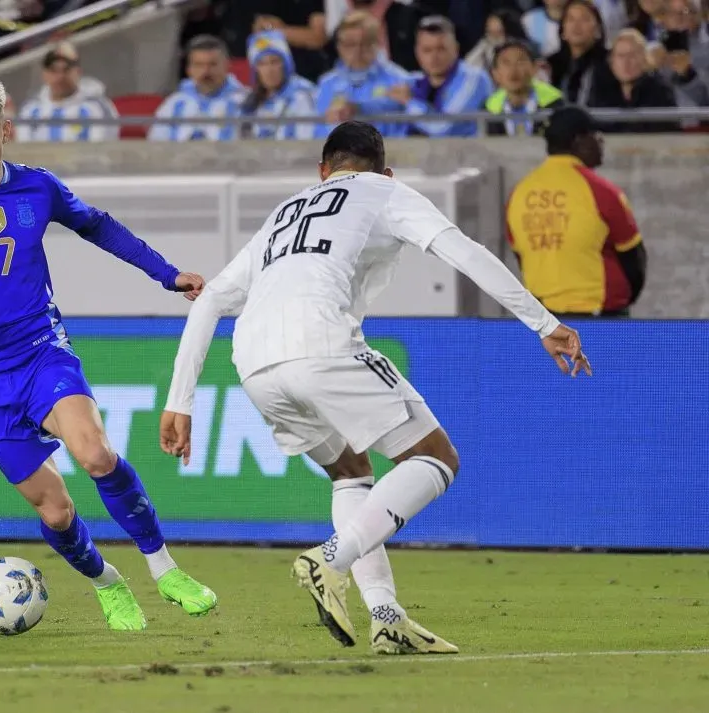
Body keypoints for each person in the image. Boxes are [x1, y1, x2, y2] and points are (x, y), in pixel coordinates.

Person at [159, 120, 591, 648]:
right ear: (386, 171)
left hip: (253, 362)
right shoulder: (385, 191)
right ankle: (330, 560)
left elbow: (208, 301)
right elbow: (464, 251)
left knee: (350, 470)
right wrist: (545, 323)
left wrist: (180, 401)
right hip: (322, 345)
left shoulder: (282, 213)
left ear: (323, 171)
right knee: (435, 459)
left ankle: (386, 618)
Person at [0, 75, 218, 632]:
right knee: (55, 509)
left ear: (5, 130)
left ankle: (165, 569)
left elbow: (99, 226)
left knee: (95, 455)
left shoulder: (38, 187)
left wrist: (166, 275)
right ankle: (107, 584)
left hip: (40, 349)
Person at [506, 106, 647, 317]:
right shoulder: (602, 192)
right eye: (595, 135)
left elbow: (520, 256)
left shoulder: (519, 194)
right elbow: (634, 259)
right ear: (578, 141)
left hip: (544, 320)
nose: (601, 142)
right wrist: (623, 302)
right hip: (600, 316)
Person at [389, 15, 495, 137]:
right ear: (417, 52)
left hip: (471, 154)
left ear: (455, 49)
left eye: (441, 49)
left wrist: (410, 102)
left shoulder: (475, 79)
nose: (434, 57)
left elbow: (444, 128)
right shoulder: (412, 82)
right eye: (427, 50)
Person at [314, 11, 412, 139]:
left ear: (377, 43)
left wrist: (359, 109)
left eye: (365, 43)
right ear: (339, 46)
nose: (357, 51)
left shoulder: (399, 78)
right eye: (350, 44)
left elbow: (403, 115)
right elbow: (319, 129)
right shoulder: (326, 83)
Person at [150, 34, 247, 142]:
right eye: (199, 65)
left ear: (227, 65)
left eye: (212, 64)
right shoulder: (173, 104)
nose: (206, 71)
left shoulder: (246, 102)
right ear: (189, 69)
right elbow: (156, 145)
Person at [15, 42, 119, 143]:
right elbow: (24, 149)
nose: (60, 76)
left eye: (66, 69)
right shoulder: (30, 110)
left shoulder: (98, 108)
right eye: (53, 70)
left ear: (78, 71)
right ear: (44, 74)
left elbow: (102, 151)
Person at [593, 28, 679, 130]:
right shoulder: (601, 88)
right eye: (620, 56)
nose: (626, 62)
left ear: (644, 59)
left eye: (632, 55)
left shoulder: (660, 90)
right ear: (612, 62)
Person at [239, 30, 318, 140]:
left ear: (286, 64)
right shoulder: (251, 101)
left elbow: (309, 140)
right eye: (262, 64)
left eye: (274, 62)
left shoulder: (304, 94)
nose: (269, 70)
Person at [486, 39, 565, 135]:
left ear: (534, 68)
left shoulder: (556, 104)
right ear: (495, 74)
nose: (513, 70)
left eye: (520, 61)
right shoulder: (488, 108)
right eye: (506, 63)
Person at [549, 0, 617, 104]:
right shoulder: (551, 65)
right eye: (571, 19)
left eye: (584, 19)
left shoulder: (611, 61)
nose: (577, 25)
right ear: (563, 30)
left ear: (598, 30)